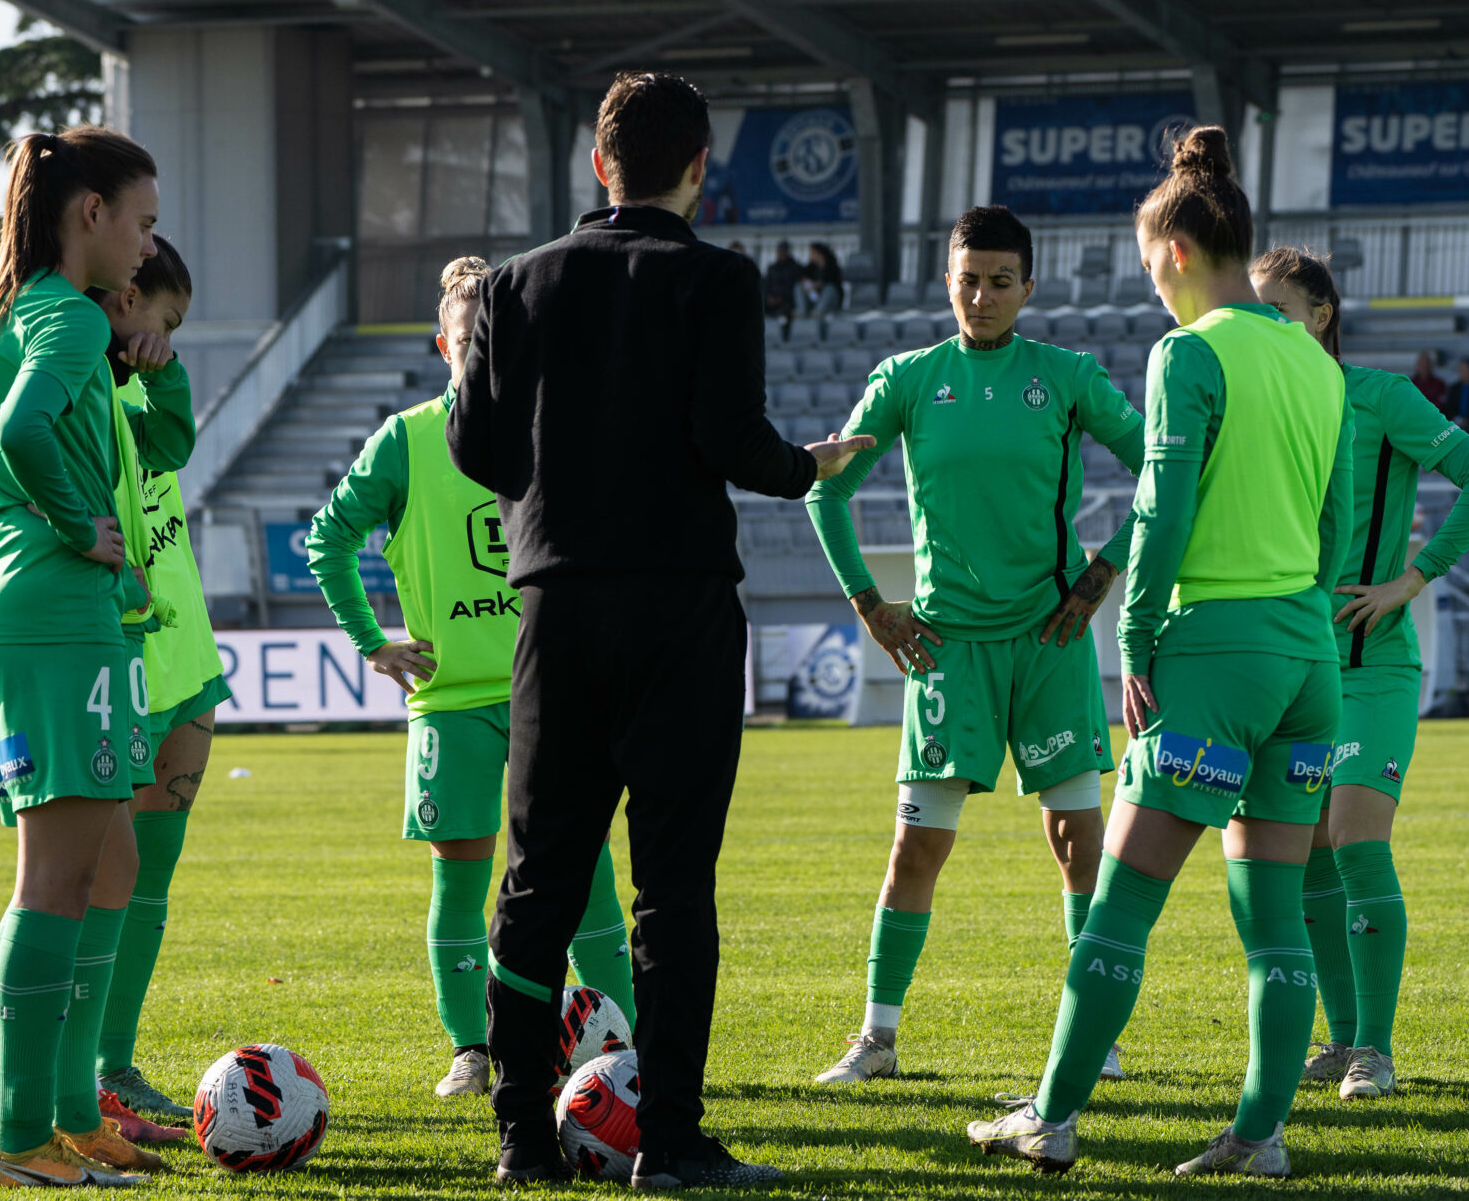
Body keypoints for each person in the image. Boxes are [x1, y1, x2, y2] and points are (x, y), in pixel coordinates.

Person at [445, 71, 872, 1188]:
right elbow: (733, 440)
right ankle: (670, 1144)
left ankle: (520, 1141)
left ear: (599, 164)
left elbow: (475, 452)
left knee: (536, 883)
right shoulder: (718, 280)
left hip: (555, 606)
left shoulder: (514, 285)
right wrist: (809, 467)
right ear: (700, 170)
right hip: (678, 611)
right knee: (672, 889)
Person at [967, 127, 1351, 1178]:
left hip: (1211, 657)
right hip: (1307, 665)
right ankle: (1260, 1136)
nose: (1150, 292)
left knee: (1119, 909)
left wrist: (1131, 638)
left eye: (1147, 270)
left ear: (1175, 253)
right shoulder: (1315, 365)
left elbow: (1162, 506)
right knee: (1276, 926)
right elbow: (1336, 523)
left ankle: (1047, 1117)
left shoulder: (1187, 352)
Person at [805, 205, 1142, 1087]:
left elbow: (1164, 471)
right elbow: (824, 492)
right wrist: (873, 607)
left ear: (1029, 286)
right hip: (945, 651)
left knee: (1075, 840)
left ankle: (1094, 1035)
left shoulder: (1067, 376)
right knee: (915, 849)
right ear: (946, 281)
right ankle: (877, 1038)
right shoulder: (910, 379)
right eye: (967, 279)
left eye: (999, 281)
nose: (982, 295)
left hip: (1049, 641)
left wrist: (1103, 573)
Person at [307, 255, 638, 1102]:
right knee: (460, 880)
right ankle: (475, 1049)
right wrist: (370, 639)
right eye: (467, 343)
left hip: (553, 690)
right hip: (450, 702)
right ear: (442, 344)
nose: (483, 357)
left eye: (496, 341)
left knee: (590, 871)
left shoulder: (554, 427)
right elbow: (329, 538)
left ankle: (628, 1048)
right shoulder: (407, 440)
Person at [0, 126, 168, 1187]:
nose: (149, 252)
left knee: (109, 861)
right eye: (144, 224)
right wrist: (73, 526)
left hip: (15, 611)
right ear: (91, 214)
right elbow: (22, 433)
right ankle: (18, 1138)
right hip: (56, 620)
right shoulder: (63, 313)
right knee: (54, 879)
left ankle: (73, 1116)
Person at [1250, 247, 1469, 1102]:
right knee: (1310, 863)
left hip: (1373, 668)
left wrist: (1414, 576)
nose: (1265, 327)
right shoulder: (1263, 402)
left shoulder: (1380, 397)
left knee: (1357, 844)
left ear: (1324, 314)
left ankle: (1376, 1050)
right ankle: (1340, 1034)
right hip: (1297, 663)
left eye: (1279, 310)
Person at [81, 237, 240, 1135]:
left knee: (150, 886)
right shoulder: (71, 385)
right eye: (165, 318)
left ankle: (116, 1064)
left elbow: (174, 447)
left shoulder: (143, 389)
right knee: (96, 879)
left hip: (187, 670)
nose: (167, 337)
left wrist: (165, 366)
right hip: (113, 667)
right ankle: (77, 1075)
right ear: (123, 296)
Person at [763, 241, 800, 325]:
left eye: (782, 251)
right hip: (771, 299)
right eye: (779, 251)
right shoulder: (772, 268)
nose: (780, 254)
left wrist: (780, 298)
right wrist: (769, 296)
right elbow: (767, 284)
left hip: (786, 300)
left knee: (786, 310)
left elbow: (793, 287)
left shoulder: (794, 267)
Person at [803, 241, 844, 317]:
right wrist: (808, 284)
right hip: (814, 297)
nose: (810, 255)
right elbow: (804, 279)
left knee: (829, 288)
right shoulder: (810, 268)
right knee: (799, 287)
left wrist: (817, 284)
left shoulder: (832, 266)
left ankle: (818, 312)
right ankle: (802, 312)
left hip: (830, 300)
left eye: (812, 252)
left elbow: (832, 283)